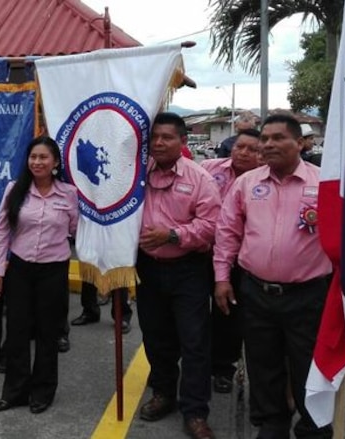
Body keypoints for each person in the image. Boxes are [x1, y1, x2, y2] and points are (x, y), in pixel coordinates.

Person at [214, 114, 333, 438]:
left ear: (300, 143)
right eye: (264, 138)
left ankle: (313, 427)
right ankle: (272, 424)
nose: (268, 144)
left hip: (308, 296)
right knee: (262, 364)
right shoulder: (246, 184)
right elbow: (227, 233)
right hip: (256, 292)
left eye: (278, 138)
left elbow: (343, 239)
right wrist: (222, 278)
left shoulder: (324, 183)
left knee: (308, 368)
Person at [136, 112, 220, 439]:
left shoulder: (200, 179)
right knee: (156, 338)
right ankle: (163, 394)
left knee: (195, 341)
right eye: (155, 136)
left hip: (189, 269)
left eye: (167, 137)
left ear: (183, 142)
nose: (158, 142)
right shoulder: (137, 175)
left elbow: (211, 227)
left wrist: (172, 235)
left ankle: (195, 411)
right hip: (147, 268)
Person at [0, 136, 78, 415]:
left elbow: (77, 230)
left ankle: (43, 391)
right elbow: (2, 230)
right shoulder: (15, 190)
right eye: (33, 157)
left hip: (53, 271)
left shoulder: (69, 194)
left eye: (43, 157)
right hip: (20, 269)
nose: (37, 162)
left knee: (47, 332)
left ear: (55, 163)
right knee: (16, 331)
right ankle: (14, 391)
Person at [200, 127, 262, 394]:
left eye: (252, 149)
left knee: (228, 315)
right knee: (192, 313)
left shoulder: (263, 180)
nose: (244, 152)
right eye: (240, 146)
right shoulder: (207, 169)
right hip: (201, 252)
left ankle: (223, 368)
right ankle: (190, 364)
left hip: (238, 260)